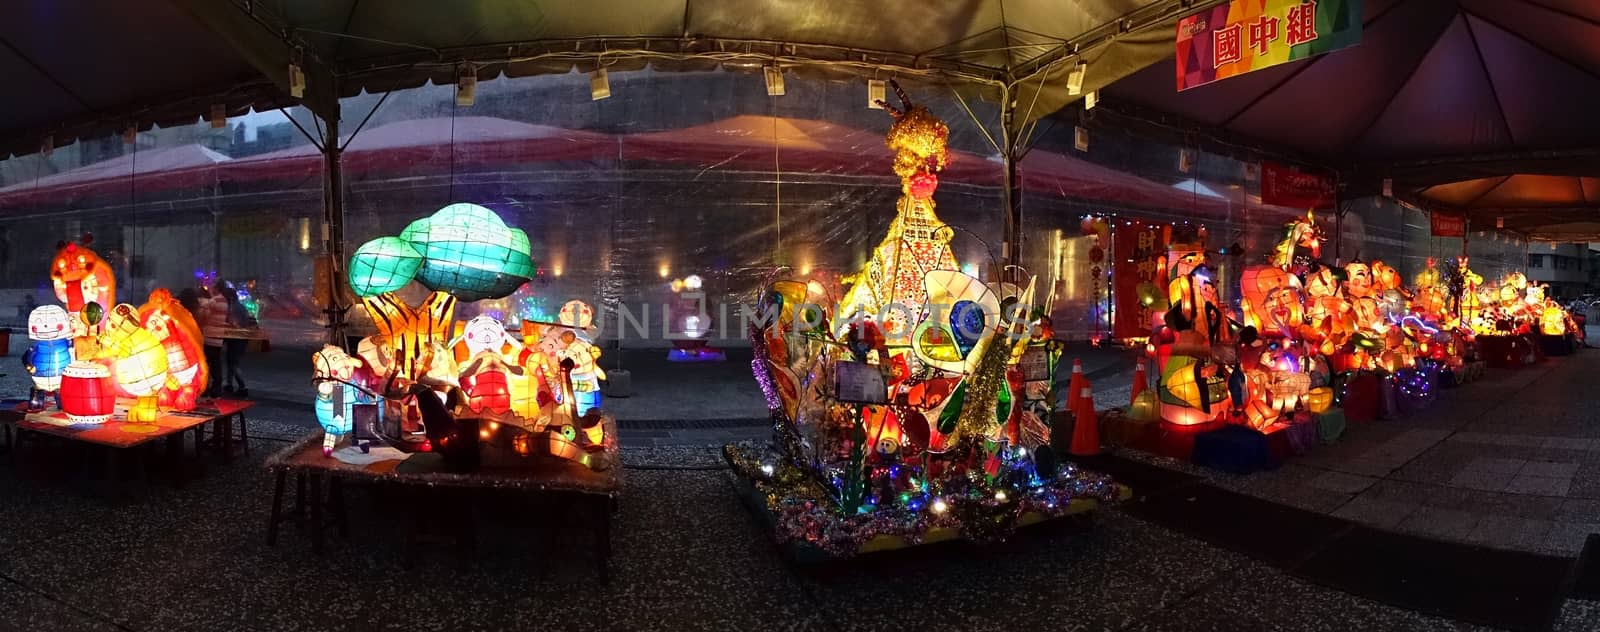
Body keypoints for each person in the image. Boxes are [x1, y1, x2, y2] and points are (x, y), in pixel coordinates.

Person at [220, 283, 256, 397]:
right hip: (240, 339)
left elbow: (233, 324)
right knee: (231, 362)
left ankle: (242, 386)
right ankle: (229, 385)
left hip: (236, 338)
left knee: (233, 363)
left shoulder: (232, 308)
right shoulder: (240, 307)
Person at [197, 285, 229, 398]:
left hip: (209, 337)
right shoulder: (225, 301)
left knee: (206, 364)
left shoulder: (214, 301)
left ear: (216, 288)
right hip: (218, 339)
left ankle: (205, 388)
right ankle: (217, 389)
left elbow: (203, 316)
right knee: (216, 364)